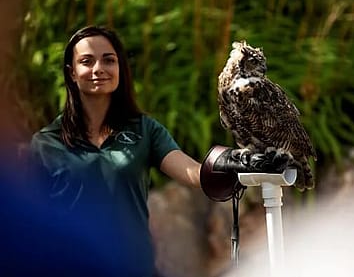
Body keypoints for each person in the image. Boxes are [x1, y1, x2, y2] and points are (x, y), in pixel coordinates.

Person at [26, 25, 289, 277]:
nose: (99, 69)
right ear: (71, 72)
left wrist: (235, 161)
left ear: (120, 69)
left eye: (109, 60)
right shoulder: (46, 144)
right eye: (87, 61)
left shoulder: (144, 130)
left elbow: (193, 173)